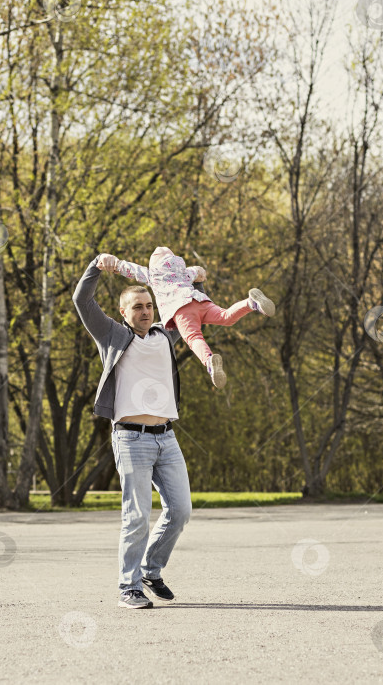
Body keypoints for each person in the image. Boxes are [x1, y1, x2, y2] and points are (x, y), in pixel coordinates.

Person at [72, 253, 209, 610]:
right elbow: (81, 301)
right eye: (137, 307)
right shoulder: (112, 335)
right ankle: (128, 587)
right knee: (136, 516)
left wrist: (197, 280)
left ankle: (151, 570)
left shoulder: (166, 336)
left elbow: (189, 306)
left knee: (180, 510)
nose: (146, 311)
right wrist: (96, 268)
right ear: (124, 313)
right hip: (131, 438)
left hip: (167, 437)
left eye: (149, 305)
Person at [102, 245, 276, 389]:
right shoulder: (183, 272)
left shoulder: (153, 274)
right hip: (199, 300)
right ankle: (251, 303)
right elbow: (198, 271)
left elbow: (131, 270)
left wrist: (115, 264)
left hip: (181, 309)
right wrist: (201, 273)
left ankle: (208, 360)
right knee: (226, 316)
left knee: (194, 338)